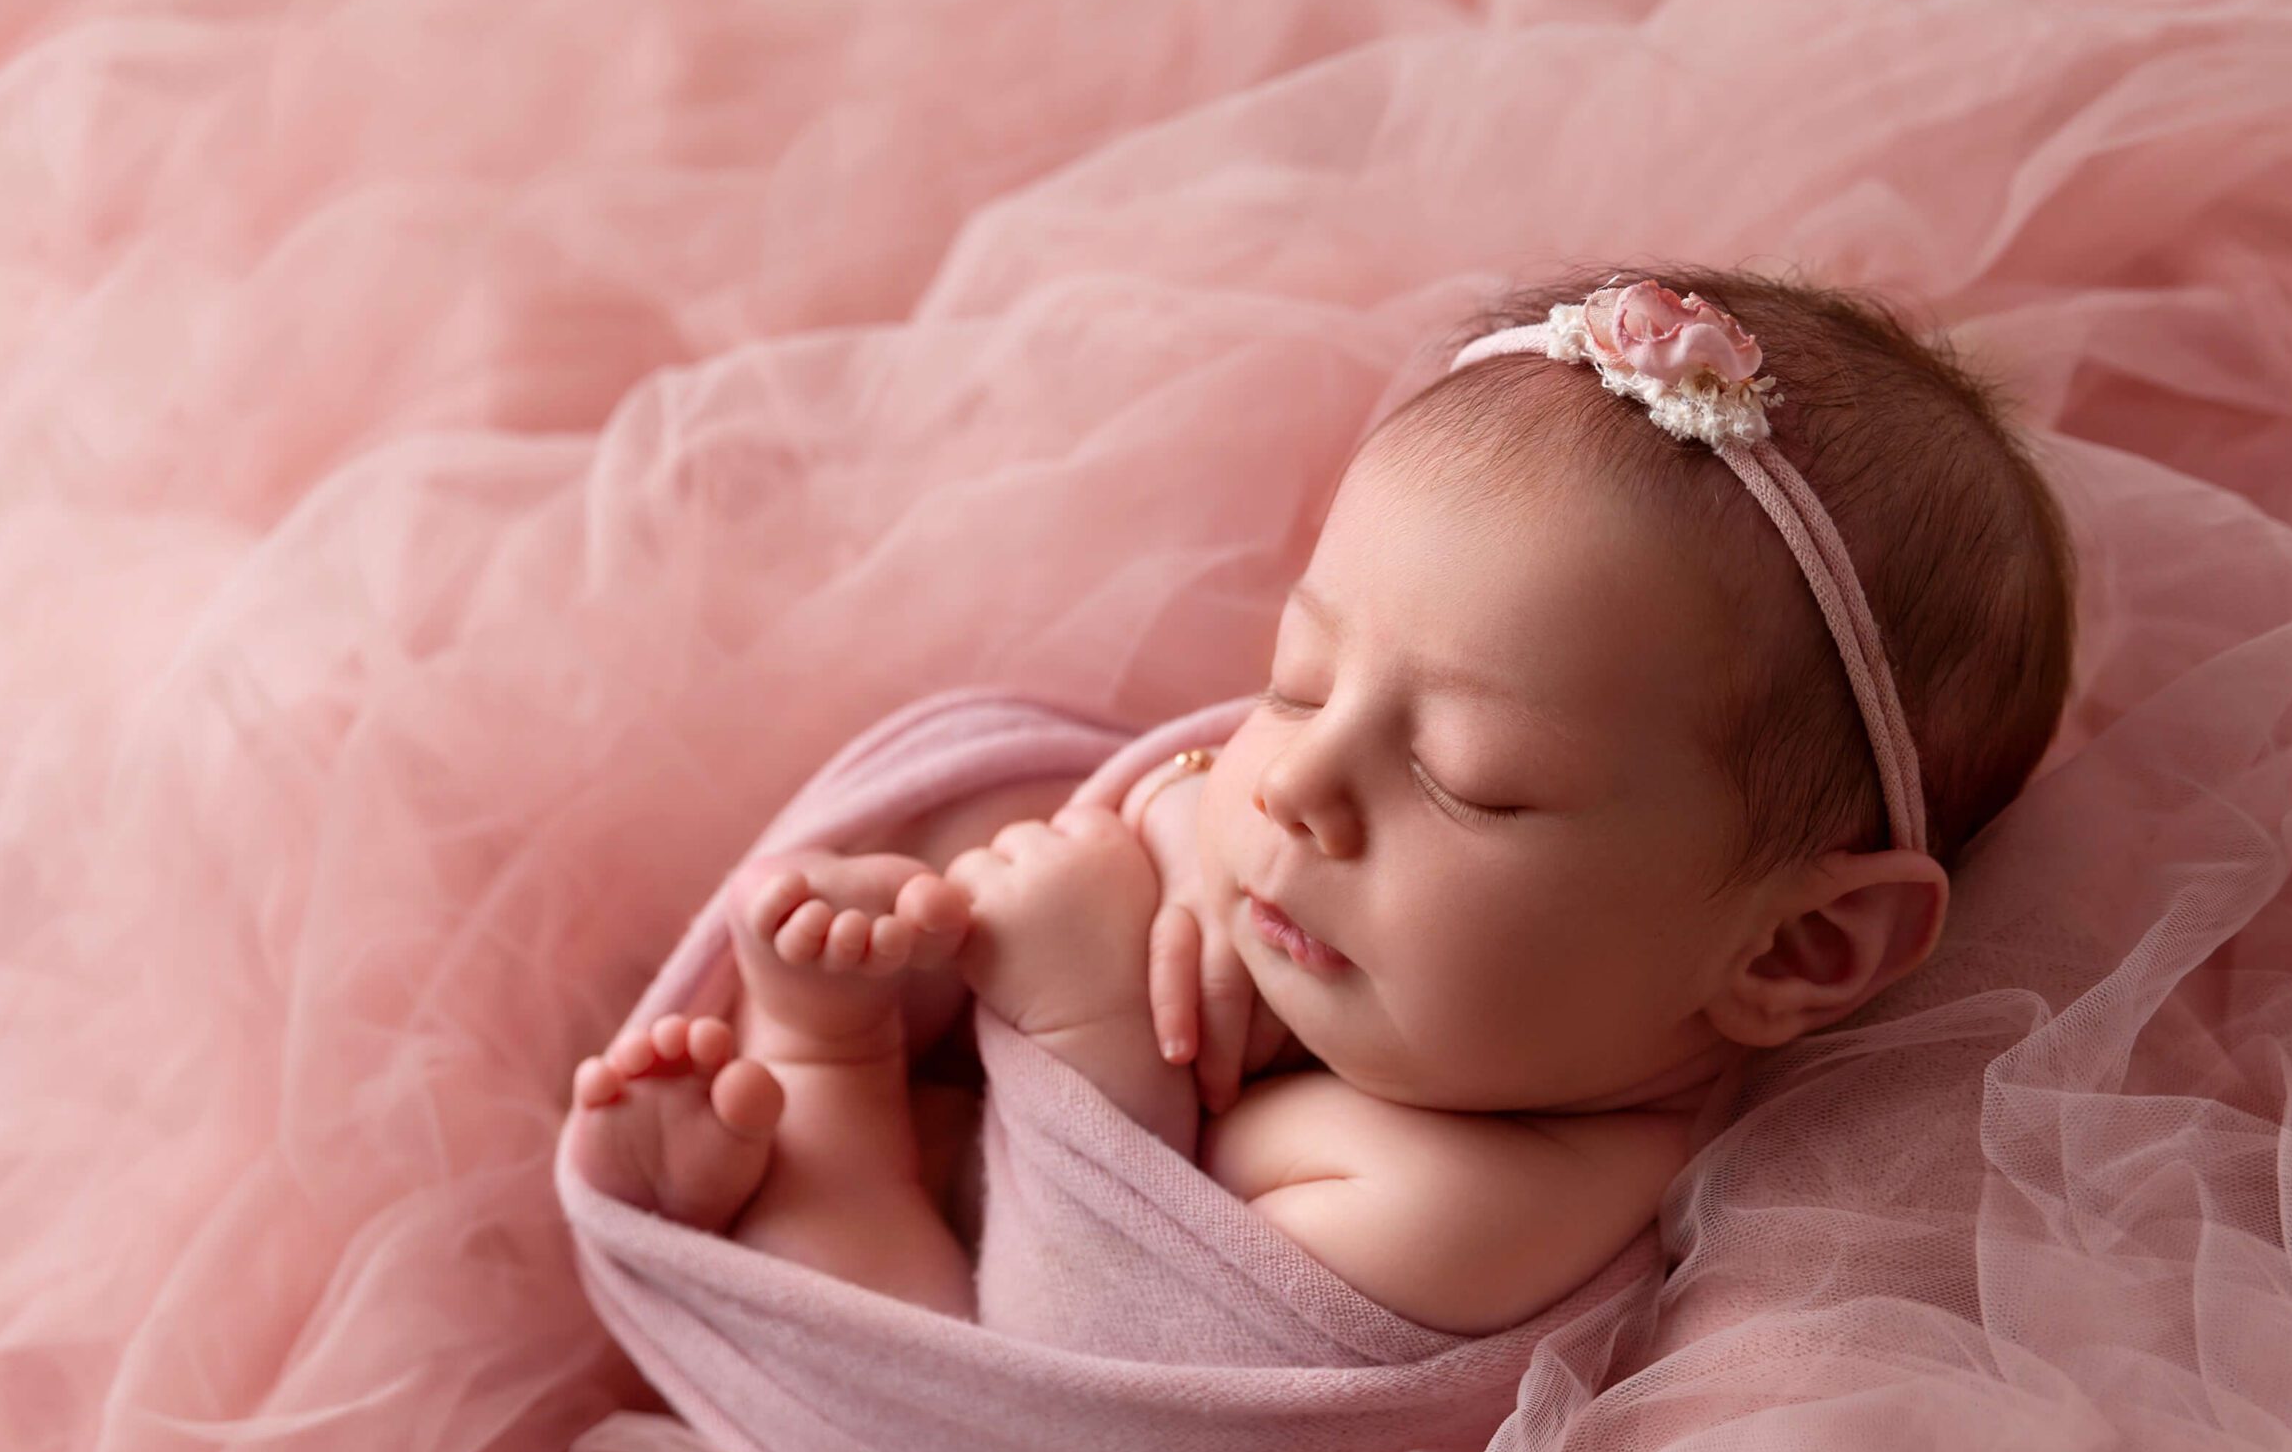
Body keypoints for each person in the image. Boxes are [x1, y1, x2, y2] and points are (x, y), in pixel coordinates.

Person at [565, 262, 2078, 1334]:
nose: (1291, 782)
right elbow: (1179, 789)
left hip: (996, 1400)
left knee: (892, 1310)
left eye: (1460, 779)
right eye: (1298, 677)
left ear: (1789, 952)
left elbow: (1077, 1356)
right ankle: (815, 1079)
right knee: (984, 826)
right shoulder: (1444, 969)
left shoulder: (1479, 1203)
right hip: (1001, 1177)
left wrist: (1089, 1035)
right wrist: (1154, 816)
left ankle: (821, 1100)